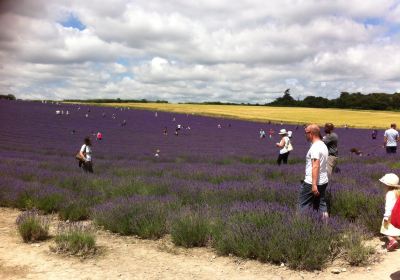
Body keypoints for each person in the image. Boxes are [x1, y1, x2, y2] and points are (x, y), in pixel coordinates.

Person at [298, 124, 329, 218]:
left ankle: (302, 225)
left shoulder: (315, 148)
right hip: (323, 181)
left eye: (306, 133)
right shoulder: (323, 145)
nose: (305, 135)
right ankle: (326, 225)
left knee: (303, 204)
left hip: (312, 182)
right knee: (321, 204)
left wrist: (314, 185)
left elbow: (315, 166)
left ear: (311, 133)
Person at [379, 173, 400, 251]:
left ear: (387, 185)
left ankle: (392, 240)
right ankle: (396, 240)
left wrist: (386, 216)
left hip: (391, 215)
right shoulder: (398, 192)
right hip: (398, 214)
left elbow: (389, 206)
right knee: (396, 228)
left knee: (385, 228)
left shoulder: (390, 193)